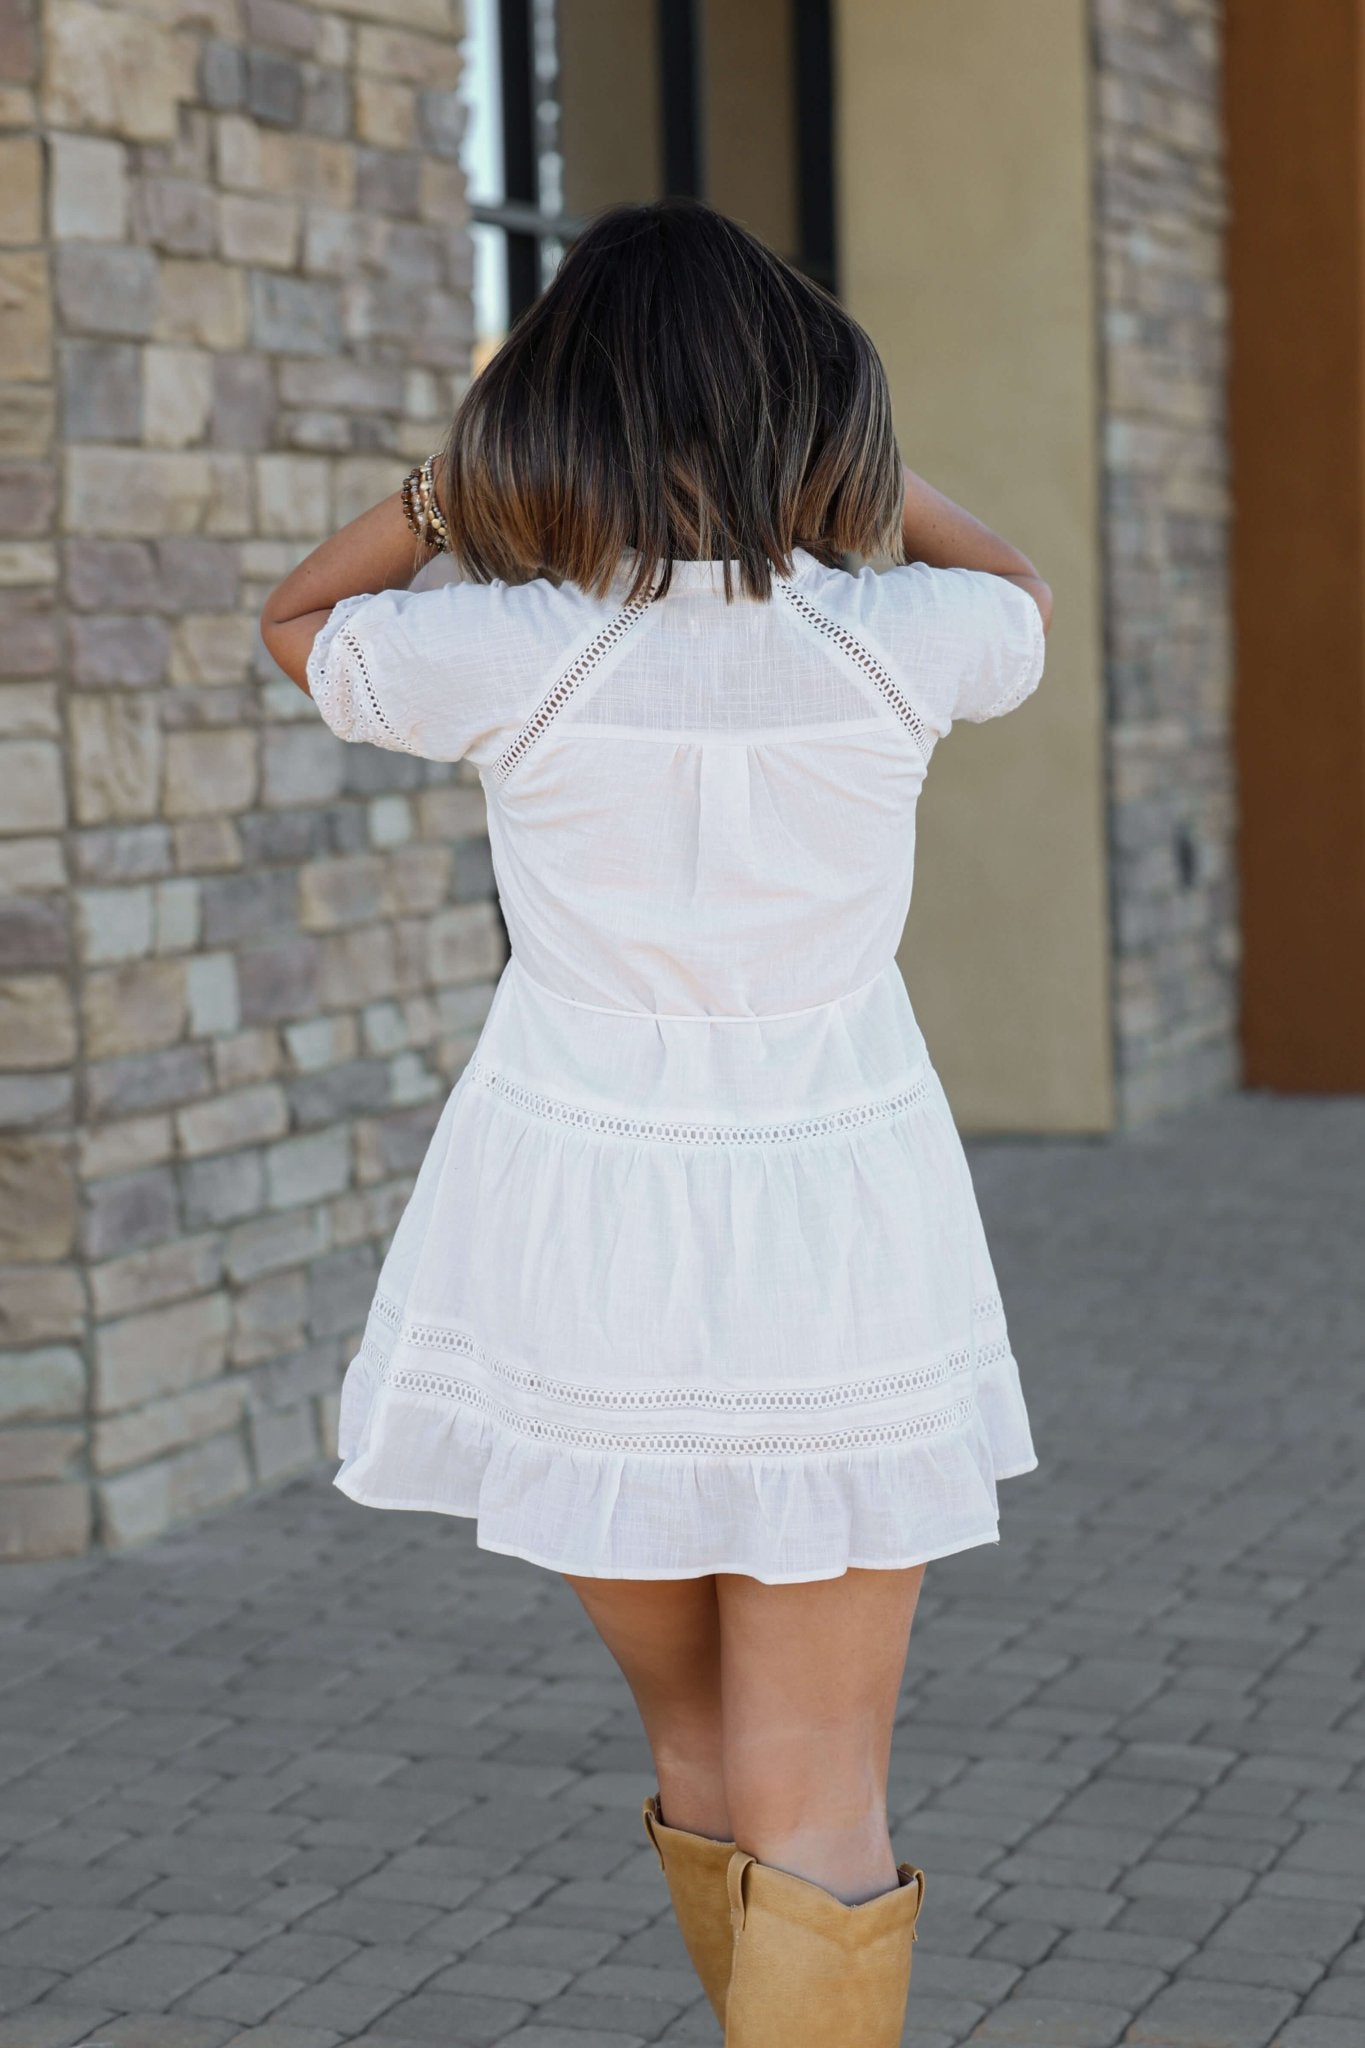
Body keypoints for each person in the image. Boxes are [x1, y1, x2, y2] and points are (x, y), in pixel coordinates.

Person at [260, 197, 1052, 2047]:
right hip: (836, 1225)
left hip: (579, 1231)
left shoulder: (507, 647)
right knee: (821, 1795)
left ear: (552, 416)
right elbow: (1016, 588)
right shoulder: (903, 637)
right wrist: (850, 477)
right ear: (816, 416)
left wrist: (453, 499)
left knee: (701, 1745)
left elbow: (298, 617)